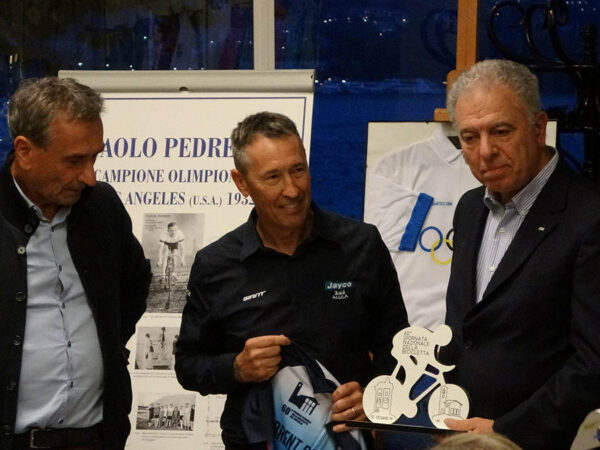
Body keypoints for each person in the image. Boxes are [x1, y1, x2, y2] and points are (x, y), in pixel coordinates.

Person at [175, 111, 408, 448]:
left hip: (345, 440)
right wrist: (236, 367)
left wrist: (373, 394)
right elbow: (188, 365)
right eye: (272, 177)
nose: (292, 189)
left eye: (298, 169)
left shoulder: (361, 245)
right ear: (242, 183)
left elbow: (397, 348)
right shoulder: (215, 264)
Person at [441, 59, 600, 449]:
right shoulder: (468, 209)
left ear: (539, 127)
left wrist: (505, 431)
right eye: (469, 137)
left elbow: (593, 363)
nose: (486, 152)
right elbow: (467, 333)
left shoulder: (590, 217)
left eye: (500, 131)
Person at [0, 76, 152, 449]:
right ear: (25, 151)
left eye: (95, 157)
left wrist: (109, 346)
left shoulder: (101, 207)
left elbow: (135, 281)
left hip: (95, 438)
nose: (89, 176)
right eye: (74, 160)